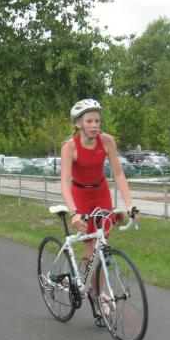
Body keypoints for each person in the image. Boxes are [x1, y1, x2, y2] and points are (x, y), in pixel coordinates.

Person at [60, 99, 138, 308]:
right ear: (78, 123)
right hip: (80, 196)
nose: (94, 125)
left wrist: (129, 205)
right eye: (89, 121)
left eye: (97, 121)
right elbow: (65, 183)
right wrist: (74, 213)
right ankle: (89, 286)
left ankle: (100, 292)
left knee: (102, 245)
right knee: (90, 247)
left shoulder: (107, 141)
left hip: (101, 193)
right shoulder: (69, 147)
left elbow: (118, 174)